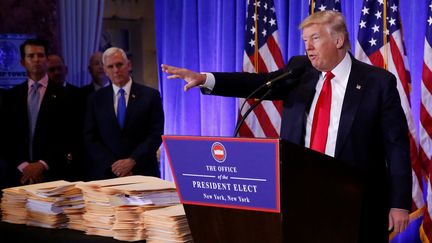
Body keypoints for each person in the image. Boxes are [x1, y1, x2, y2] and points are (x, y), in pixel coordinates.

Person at [161, 10, 411, 242]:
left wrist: (399, 203)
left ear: (338, 40)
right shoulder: (300, 70)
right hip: (301, 197)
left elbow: (396, 146)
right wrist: (206, 79)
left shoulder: (377, 82)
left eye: (315, 38)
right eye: (305, 41)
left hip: (356, 201)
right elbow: (258, 83)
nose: (308, 47)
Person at [0, 38, 77, 185]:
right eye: (31, 56)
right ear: (23, 62)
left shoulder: (66, 95)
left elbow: (69, 135)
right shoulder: (10, 97)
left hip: (53, 173)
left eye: (41, 55)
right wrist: (24, 167)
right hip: (18, 174)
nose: (36, 60)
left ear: (47, 60)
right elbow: (5, 136)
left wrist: (42, 164)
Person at [84, 47, 164, 180]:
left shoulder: (150, 96)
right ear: (105, 70)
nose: (116, 70)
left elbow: (155, 134)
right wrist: (114, 166)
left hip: (143, 172)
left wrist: (132, 161)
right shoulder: (95, 99)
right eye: (110, 66)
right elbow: (90, 137)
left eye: (119, 64)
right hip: (107, 175)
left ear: (129, 65)